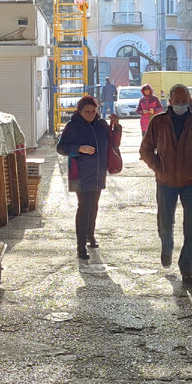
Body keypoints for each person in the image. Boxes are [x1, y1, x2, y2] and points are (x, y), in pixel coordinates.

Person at [139, 84, 192, 284]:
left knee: (191, 227)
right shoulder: (159, 122)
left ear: (188, 101)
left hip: (190, 182)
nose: (181, 104)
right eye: (177, 101)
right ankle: (167, 247)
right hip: (165, 182)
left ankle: (187, 267)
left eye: (184, 101)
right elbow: (145, 150)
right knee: (165, 223)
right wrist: (159, 168)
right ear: (170, 101)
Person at [57, 96, 121, 261]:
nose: (91, 114)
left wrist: (117, 126)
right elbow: (61, 148)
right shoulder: (72, 126)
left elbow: (114, 143)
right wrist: (79, 149)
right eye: (87, 111)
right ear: (79, 111)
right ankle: (80, 245)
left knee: (94, 206)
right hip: (79, 172)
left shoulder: (101, 125)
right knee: (83, 207)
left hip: (98, 172)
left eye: (94, 111)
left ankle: (90, 236)